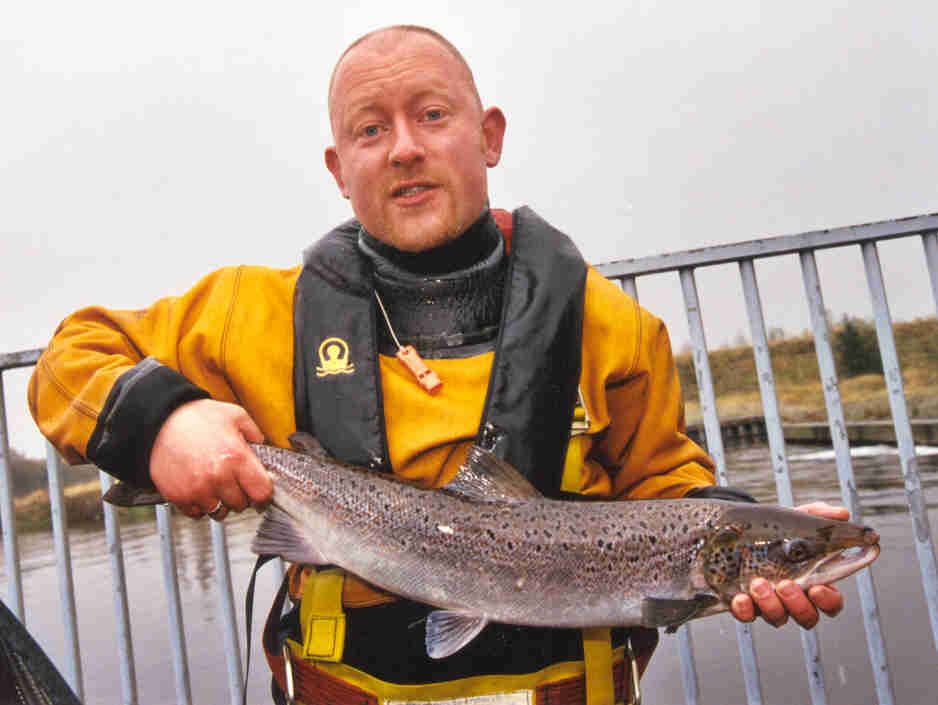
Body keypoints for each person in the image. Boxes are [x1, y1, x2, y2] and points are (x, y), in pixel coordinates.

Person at [29, 25, 847, 705]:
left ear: (488, 135)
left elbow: (669, 486)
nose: (404, 149)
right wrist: (164, 422)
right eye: (370, 130)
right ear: (338, 167)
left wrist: (761, 537)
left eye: (431, 114)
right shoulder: (255, 311)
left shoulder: (610, 322)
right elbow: (69, 358)